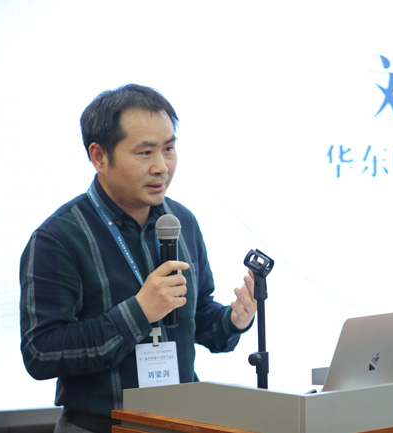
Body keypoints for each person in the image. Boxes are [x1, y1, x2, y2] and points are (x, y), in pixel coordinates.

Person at [19, 84, 257, 433]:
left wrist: (233, 320)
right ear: (99, 156)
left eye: (169, 148)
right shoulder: (59, 238)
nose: (162, 166)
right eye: (145, 152)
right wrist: (139, 312)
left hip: (181, 422)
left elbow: (197, 317)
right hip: (99, 426)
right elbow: (40, 353)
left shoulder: (181, 222)